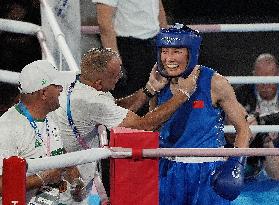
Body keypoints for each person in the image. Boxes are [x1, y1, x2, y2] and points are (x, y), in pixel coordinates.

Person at [55, 47, 200, 197]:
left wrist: (149, 89)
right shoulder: (92, 101)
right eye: (115, 75)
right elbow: (144, 125)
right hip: (72, 185)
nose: (121, 76)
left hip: (73, 169)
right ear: (98, 83)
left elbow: (115, 107)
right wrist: (182, 95)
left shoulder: (78, 82)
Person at [149, 24, 251, 204]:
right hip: (168, 168)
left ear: (191, 53)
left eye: (176, 52)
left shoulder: (214, 82)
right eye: (165, 51)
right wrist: (150, 91)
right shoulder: (158, 81)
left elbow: (243, 129)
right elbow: (152, 126)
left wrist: (236, 165)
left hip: (208, 170)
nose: (169, 58)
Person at [0, 60, 82, 204]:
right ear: (43, 93)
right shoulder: (7, 128)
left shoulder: (50, 118)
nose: (61, 89)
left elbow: (59, 154)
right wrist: (43, 179)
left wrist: (75, 179)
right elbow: (1, 185)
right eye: (56, 86)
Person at [91, 0, 168, 104]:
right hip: (126, 49)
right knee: (127, 103)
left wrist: (166, 43)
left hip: (153, 45)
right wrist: (114, 59)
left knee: (153, 100)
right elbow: (104, 23)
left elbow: (158, 7)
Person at [234, 53, 279, 180]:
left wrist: (262, 121)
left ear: (277, 75)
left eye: (270, 78)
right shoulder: (240, 94)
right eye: (261, 78)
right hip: (251, 154)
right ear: (253, 76)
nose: (265, 84)